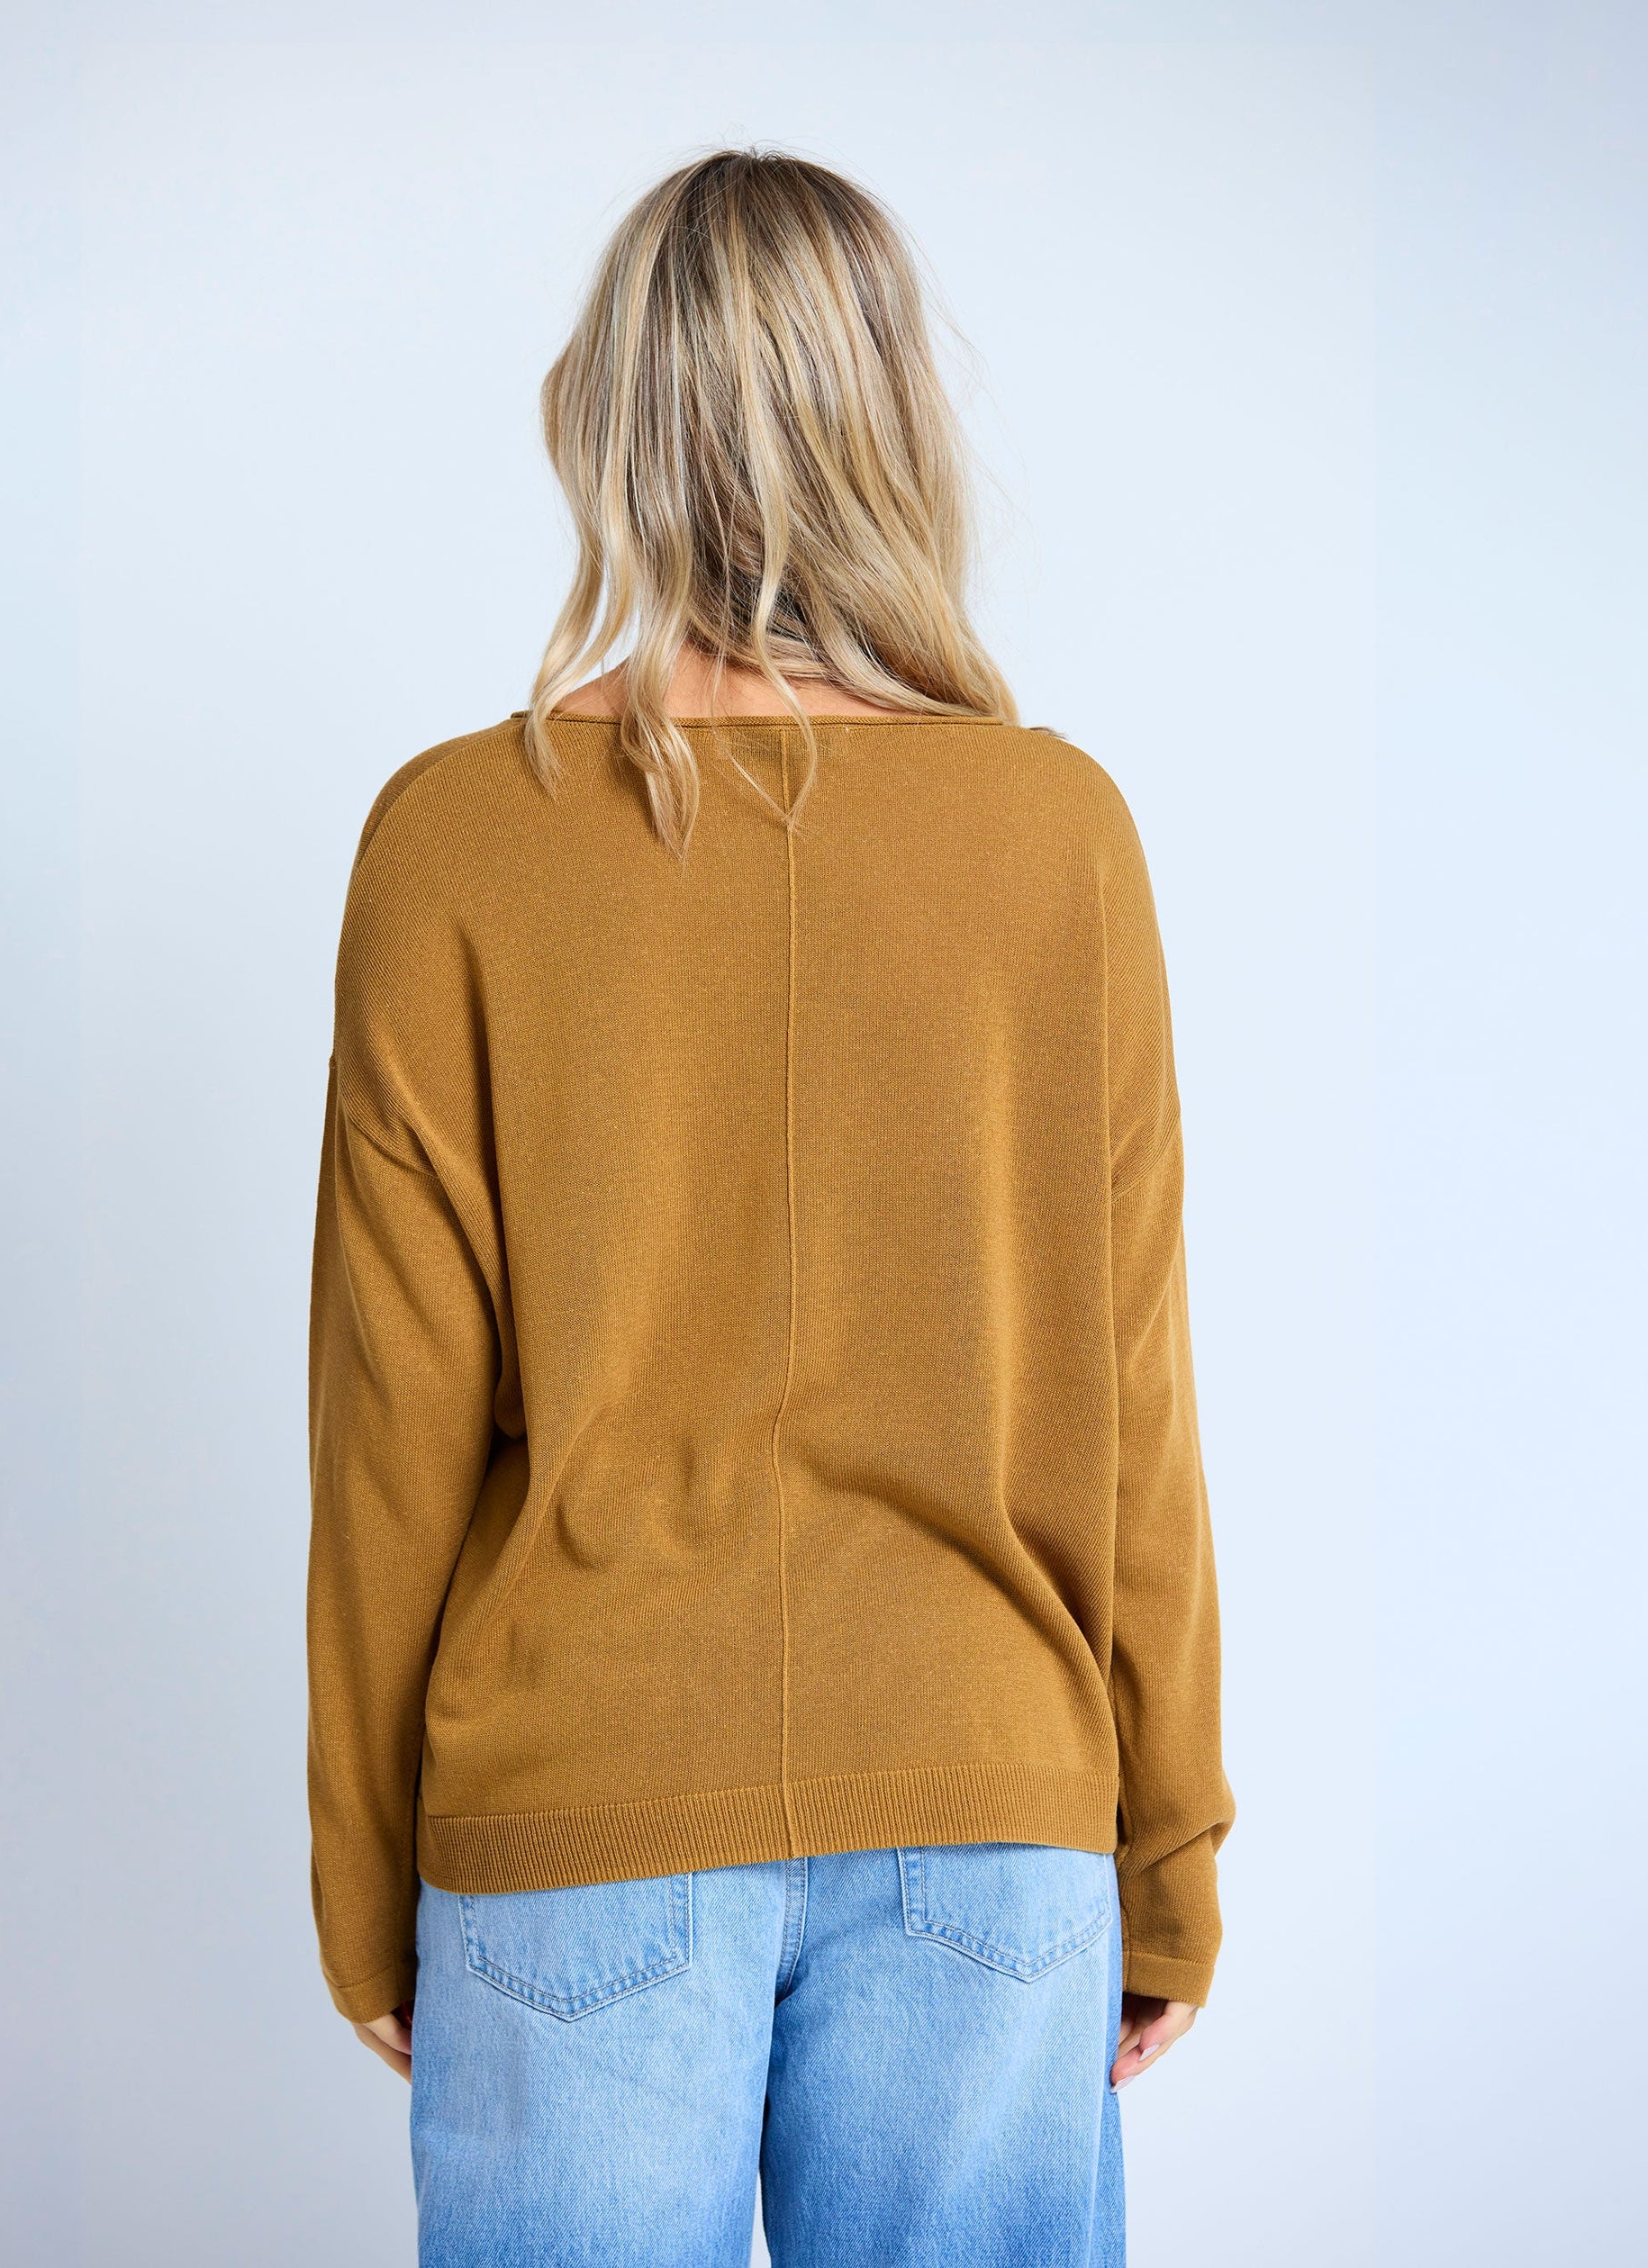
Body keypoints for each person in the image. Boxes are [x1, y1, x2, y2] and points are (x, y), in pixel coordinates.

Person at [306, 147, 1234, 2268]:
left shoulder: (454, 840)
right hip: (988, 1805)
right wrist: (1169, 1843)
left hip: (578, 1814)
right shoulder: (1057, 835)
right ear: (896, 420)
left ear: (603, 420)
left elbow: (388, 1436)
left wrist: (365, 1878)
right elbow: (1131, 1394)